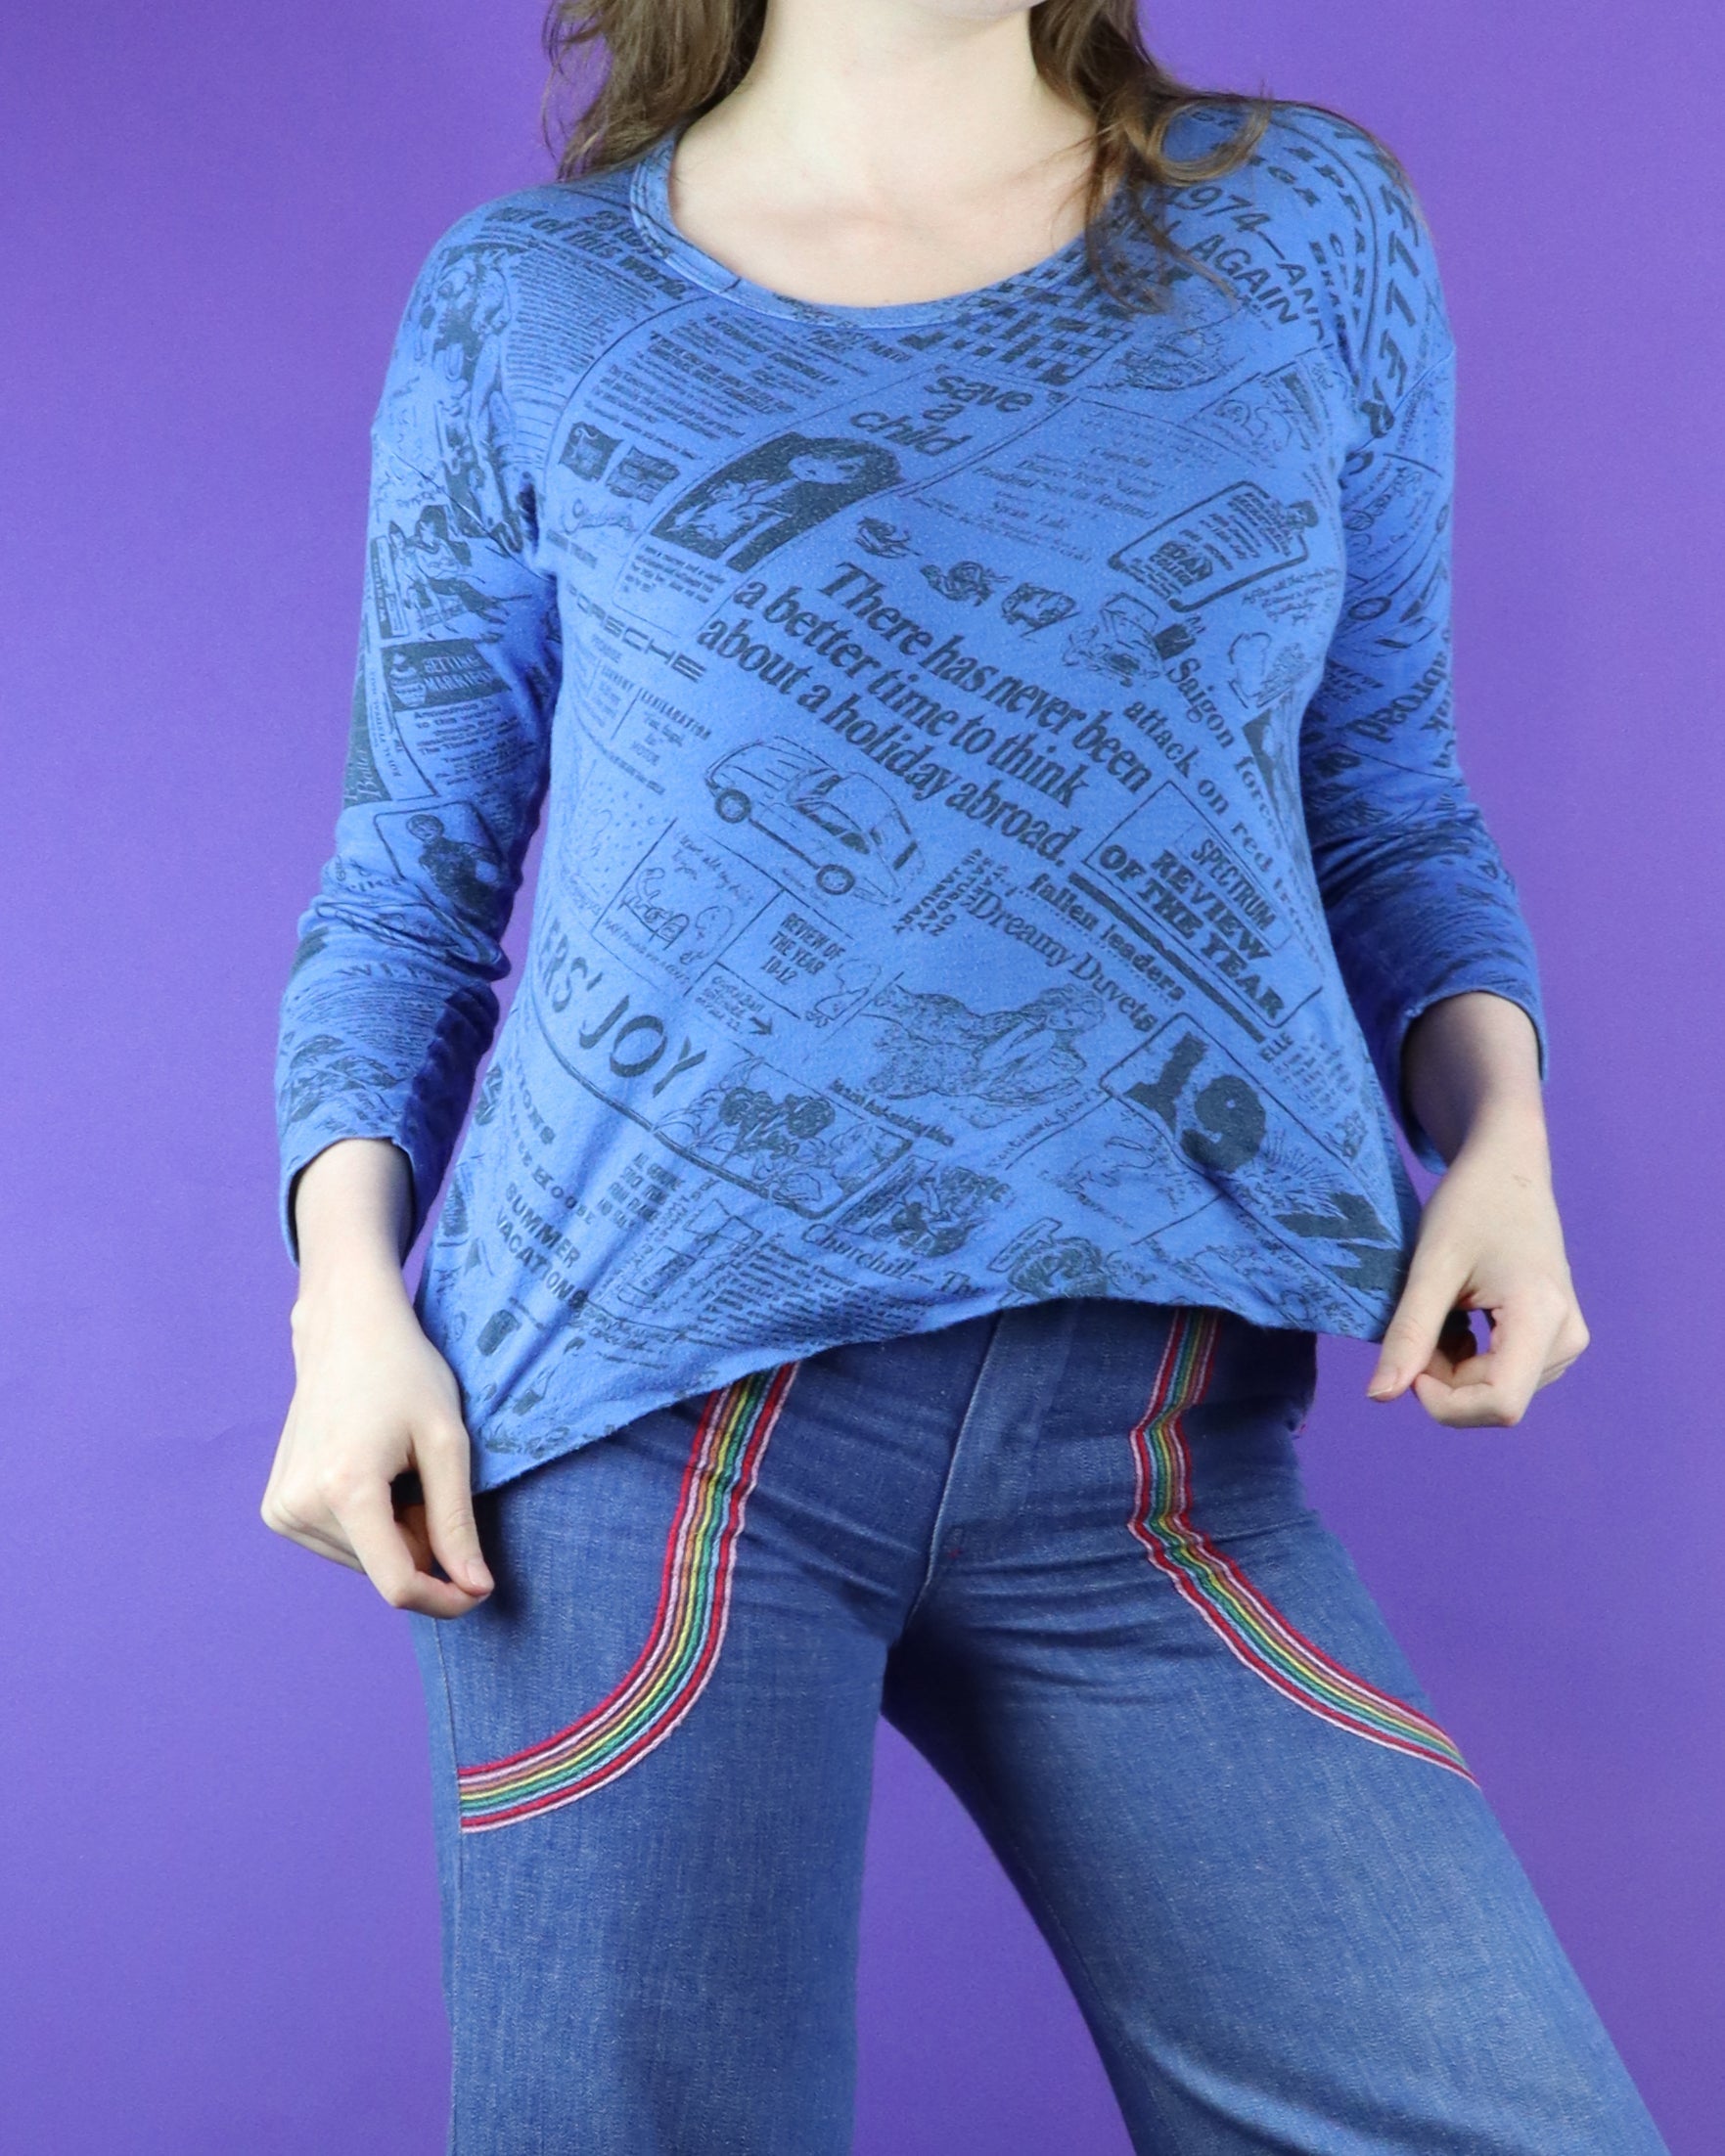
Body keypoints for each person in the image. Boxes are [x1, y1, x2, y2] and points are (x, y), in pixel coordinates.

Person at [262, 2, 1670, 2147]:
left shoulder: (1299, 227)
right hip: (644, 1441)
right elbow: (404, 892)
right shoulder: (530, 306)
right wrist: (343, 1303)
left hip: (1154, 1441)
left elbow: (1386, 790)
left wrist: (1505, 1137)